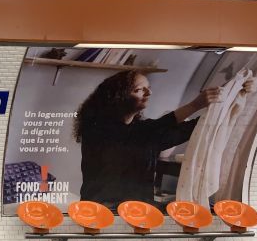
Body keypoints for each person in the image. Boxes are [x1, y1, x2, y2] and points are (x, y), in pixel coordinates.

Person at [74, 70, 222, 210]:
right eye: (139, 90)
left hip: (139, 210)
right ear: (118, 97)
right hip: (104, 210)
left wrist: (223, 106)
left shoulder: (144, 134)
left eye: (148, 88)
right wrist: (195, 105)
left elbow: (189, 129)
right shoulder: (98, 129)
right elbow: (150, 129)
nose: (149, 93)